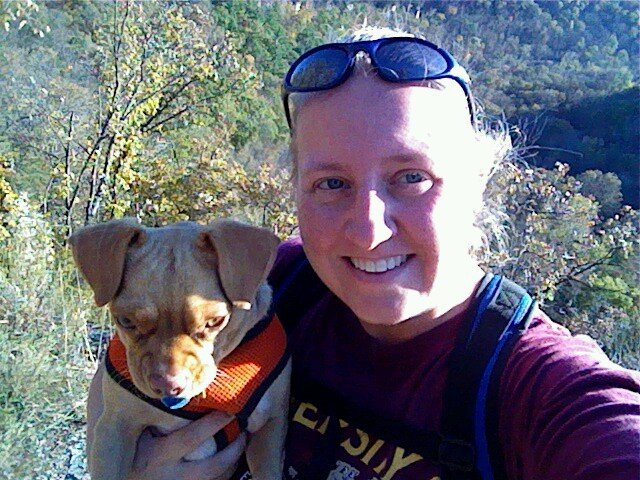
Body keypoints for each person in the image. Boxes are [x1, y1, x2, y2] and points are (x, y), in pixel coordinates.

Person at [124, 27, 640, 480]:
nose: (369, 232)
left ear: (477, 183)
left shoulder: (540, 390)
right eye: (331, 183)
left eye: (411, 177)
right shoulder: (263, 285)